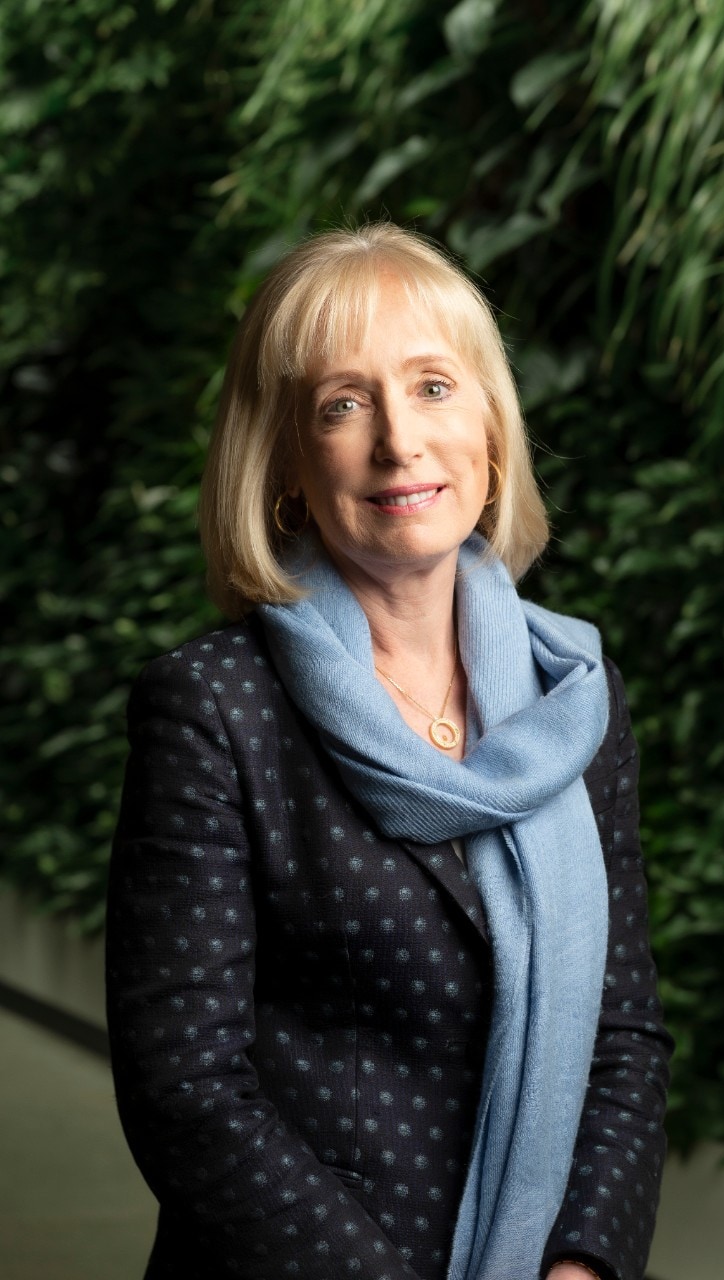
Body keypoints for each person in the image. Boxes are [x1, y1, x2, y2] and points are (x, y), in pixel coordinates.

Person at [106, 222, 673, 1280]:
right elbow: (186, 1087)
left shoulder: (574, 705)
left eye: (432, 387)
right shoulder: (214, 707)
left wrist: (582, 1266)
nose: (398, 440)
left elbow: (621, 1034)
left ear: (493, 435)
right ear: (281, 463)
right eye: (342, 403)